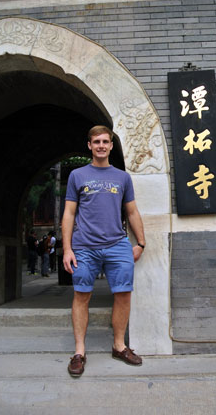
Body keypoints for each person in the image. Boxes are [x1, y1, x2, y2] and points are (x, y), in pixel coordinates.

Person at [62, 125, 146, 378]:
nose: (101, 145)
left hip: (117, 245)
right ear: (89, 145)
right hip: (84, 246)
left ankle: (119, 346)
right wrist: (67, 249)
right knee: (81, 295)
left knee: (123, 294)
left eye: (105, 141)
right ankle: (79, 352)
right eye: (96, 141)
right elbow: (69, 212)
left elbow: (131, 211)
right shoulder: (77, 175)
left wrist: (141, 243)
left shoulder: (122, 177)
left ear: (111, 145)